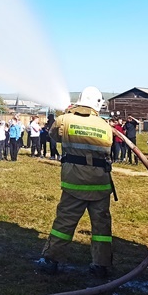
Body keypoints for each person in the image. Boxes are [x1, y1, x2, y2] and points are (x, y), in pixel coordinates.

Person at [38, 87, 114, 278]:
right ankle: (101, 265)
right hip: (101, 183)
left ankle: (51, 259)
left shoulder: (65, 120)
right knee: (101, 227)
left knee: (64, 223)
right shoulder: (105, 125)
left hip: (75, 183)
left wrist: (66, 114)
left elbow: (53, 135)